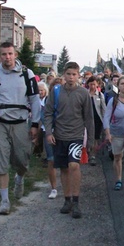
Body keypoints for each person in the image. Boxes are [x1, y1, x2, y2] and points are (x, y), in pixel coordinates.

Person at [0, 41, 41, 215]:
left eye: (10, 54)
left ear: (15, 55)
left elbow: (34, 100)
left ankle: (19, 178)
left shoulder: (27, 74)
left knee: (22, 160)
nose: (7, 57)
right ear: (0, 56)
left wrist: (35, 123)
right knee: (1, 162)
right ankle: (4, 201)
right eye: (4, 54)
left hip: (20, 123)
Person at [43, 61, 94, 219]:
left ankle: (77, 200)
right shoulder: (56, 91)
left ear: (78, 76)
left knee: (73, 165)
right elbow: (48, 112)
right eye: (68, 74)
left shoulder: (83, 93)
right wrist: (49, 132)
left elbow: (89, 118)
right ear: (64, 75)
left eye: (74, 74)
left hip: (76, 136)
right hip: (59, 136)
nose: (71, 77)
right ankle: (67, 199)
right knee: (63, 168)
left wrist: (91, 140)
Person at [38, 80, 60, 199]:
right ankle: (54, 188)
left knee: (65, 163)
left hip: (64, 134)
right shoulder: (46, 101)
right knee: (51, 160)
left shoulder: (67, 100)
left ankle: (68, 188)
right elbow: (42, 116)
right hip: (49, 133)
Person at [86, 76, 106, 166]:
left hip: (97, 119)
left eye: (94, 84)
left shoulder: (99, 95)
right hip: (87, 119)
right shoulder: (85, 94)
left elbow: (103, 108)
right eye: (91, 84)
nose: (92, 86)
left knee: (96, 138)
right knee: (88, 137)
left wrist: (105, 119)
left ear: (97, 84)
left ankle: (93, 155)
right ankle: (88, 152)